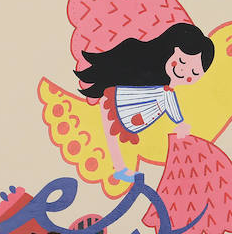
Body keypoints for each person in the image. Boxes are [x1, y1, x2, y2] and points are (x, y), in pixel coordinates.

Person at [73, 22, 215, 181]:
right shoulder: (157, 84)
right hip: (120, 103)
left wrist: (180, 123)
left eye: (195, 72)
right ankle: (119, 167)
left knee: (115, 137)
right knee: (111, 135)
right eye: (182, 62)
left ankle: (119, 167)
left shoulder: (164, 88)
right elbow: (170, 105)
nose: (184, 71)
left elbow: (170, 104)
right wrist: (180, 123)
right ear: (171, 51)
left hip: (131, 113)